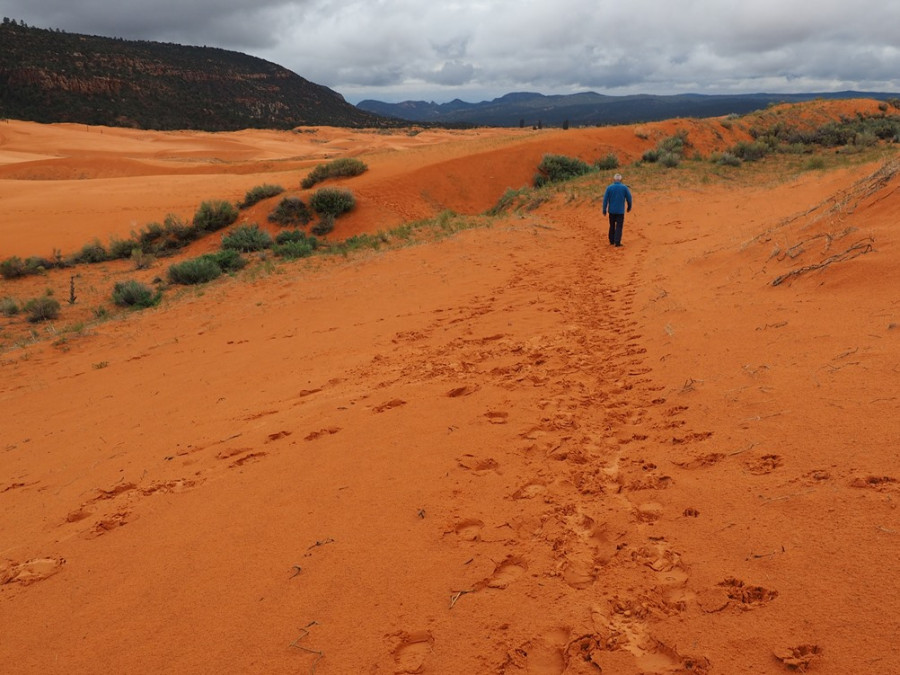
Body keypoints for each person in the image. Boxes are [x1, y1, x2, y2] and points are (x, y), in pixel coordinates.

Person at [602, 173, 633, 247]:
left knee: (612, 225)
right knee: (619, 226)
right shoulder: (624, 187)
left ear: (614, 180)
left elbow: (605, 200)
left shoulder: (609, 188)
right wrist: (629, 207)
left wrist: (604, 209)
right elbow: (629, 198)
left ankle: (611, 240)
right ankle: (617, 242)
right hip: (620, 211)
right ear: (621, 180)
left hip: (611, 211)